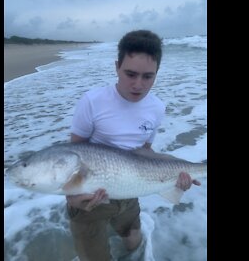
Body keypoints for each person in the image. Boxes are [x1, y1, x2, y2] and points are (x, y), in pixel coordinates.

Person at [66, 30, 201, 261]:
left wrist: (177, 176)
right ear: (117, 66)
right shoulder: (92, 102)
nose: (138, 84)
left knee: (133, 239)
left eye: (148, 76)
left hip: (130, 191)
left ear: (157, 73)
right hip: (91, 197)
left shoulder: (157, 107)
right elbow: (73, 156)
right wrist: (73, 198)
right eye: (130, 74)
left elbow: (145, 151)